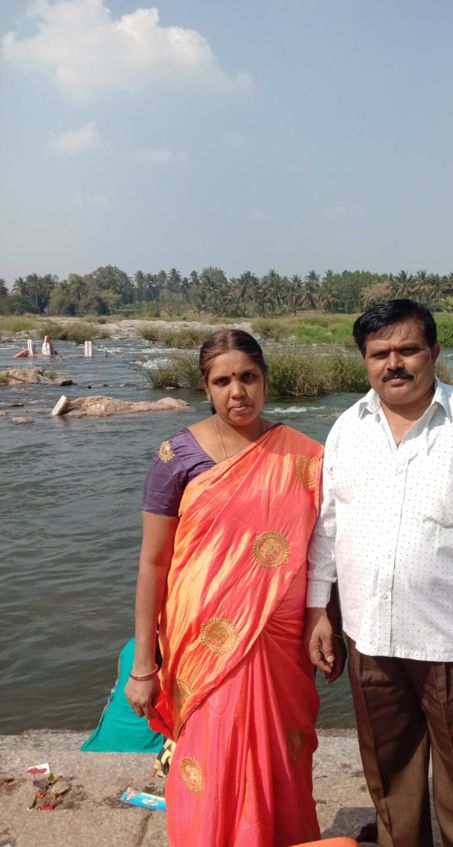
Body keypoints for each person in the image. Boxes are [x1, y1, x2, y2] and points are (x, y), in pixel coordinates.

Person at [305, 299, 453, 847]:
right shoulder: (347, 429)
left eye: (408, 350)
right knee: (389, 774)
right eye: (379, 354)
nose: (394, 364)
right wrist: (319, 609)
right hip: (369, 635)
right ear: (364, 361)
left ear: (434, 352)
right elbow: (327, 529)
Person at [125, 329, 324, 847]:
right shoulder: (177, 457)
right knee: (210, 760)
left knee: (280, 754)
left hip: (282, 639)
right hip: (202, 640)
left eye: (248, 377)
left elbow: (324, 552)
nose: (238, 392)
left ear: (265, 380)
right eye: (223, 381)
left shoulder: (304, 456)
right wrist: (143, 666)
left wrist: (326, 620)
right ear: (205, 387)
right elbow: (153, 562)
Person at [81, 638, 165, 753]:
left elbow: (118, 686)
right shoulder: (175, 647)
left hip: (102, 739)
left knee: (116, 693)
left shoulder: (130, 645)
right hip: (150, 746)